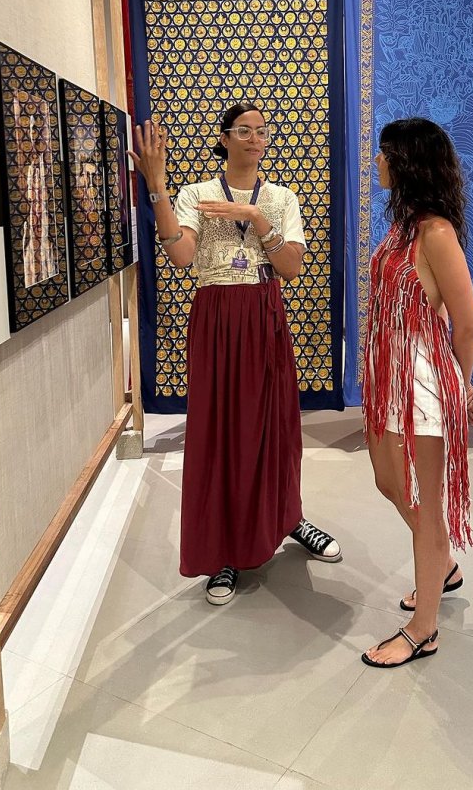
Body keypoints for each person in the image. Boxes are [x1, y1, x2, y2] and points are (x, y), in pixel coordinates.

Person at [130, 101, 341, 605]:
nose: (254, 138)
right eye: (243, 130)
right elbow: (181, 255)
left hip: (265, 313)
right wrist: (157, 185)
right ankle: (223, 548)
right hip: (218, 316)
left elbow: (291, 268)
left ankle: (287, 517)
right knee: (220, 431)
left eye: (261, 131)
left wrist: (255, 217)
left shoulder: (281, 198)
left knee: (276, 426)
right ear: (224, 139)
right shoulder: (197, 194)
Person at [361, 117, 473, 668]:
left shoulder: (436, 232)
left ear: (408, 161)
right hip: (389, 376)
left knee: (427, 505)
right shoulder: (404, 226)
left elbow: (467, 324)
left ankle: (423, 629)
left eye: (385, 152)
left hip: (424, 382)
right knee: (388, 480)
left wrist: (462, 387)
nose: (378, 161)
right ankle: (443, 565)